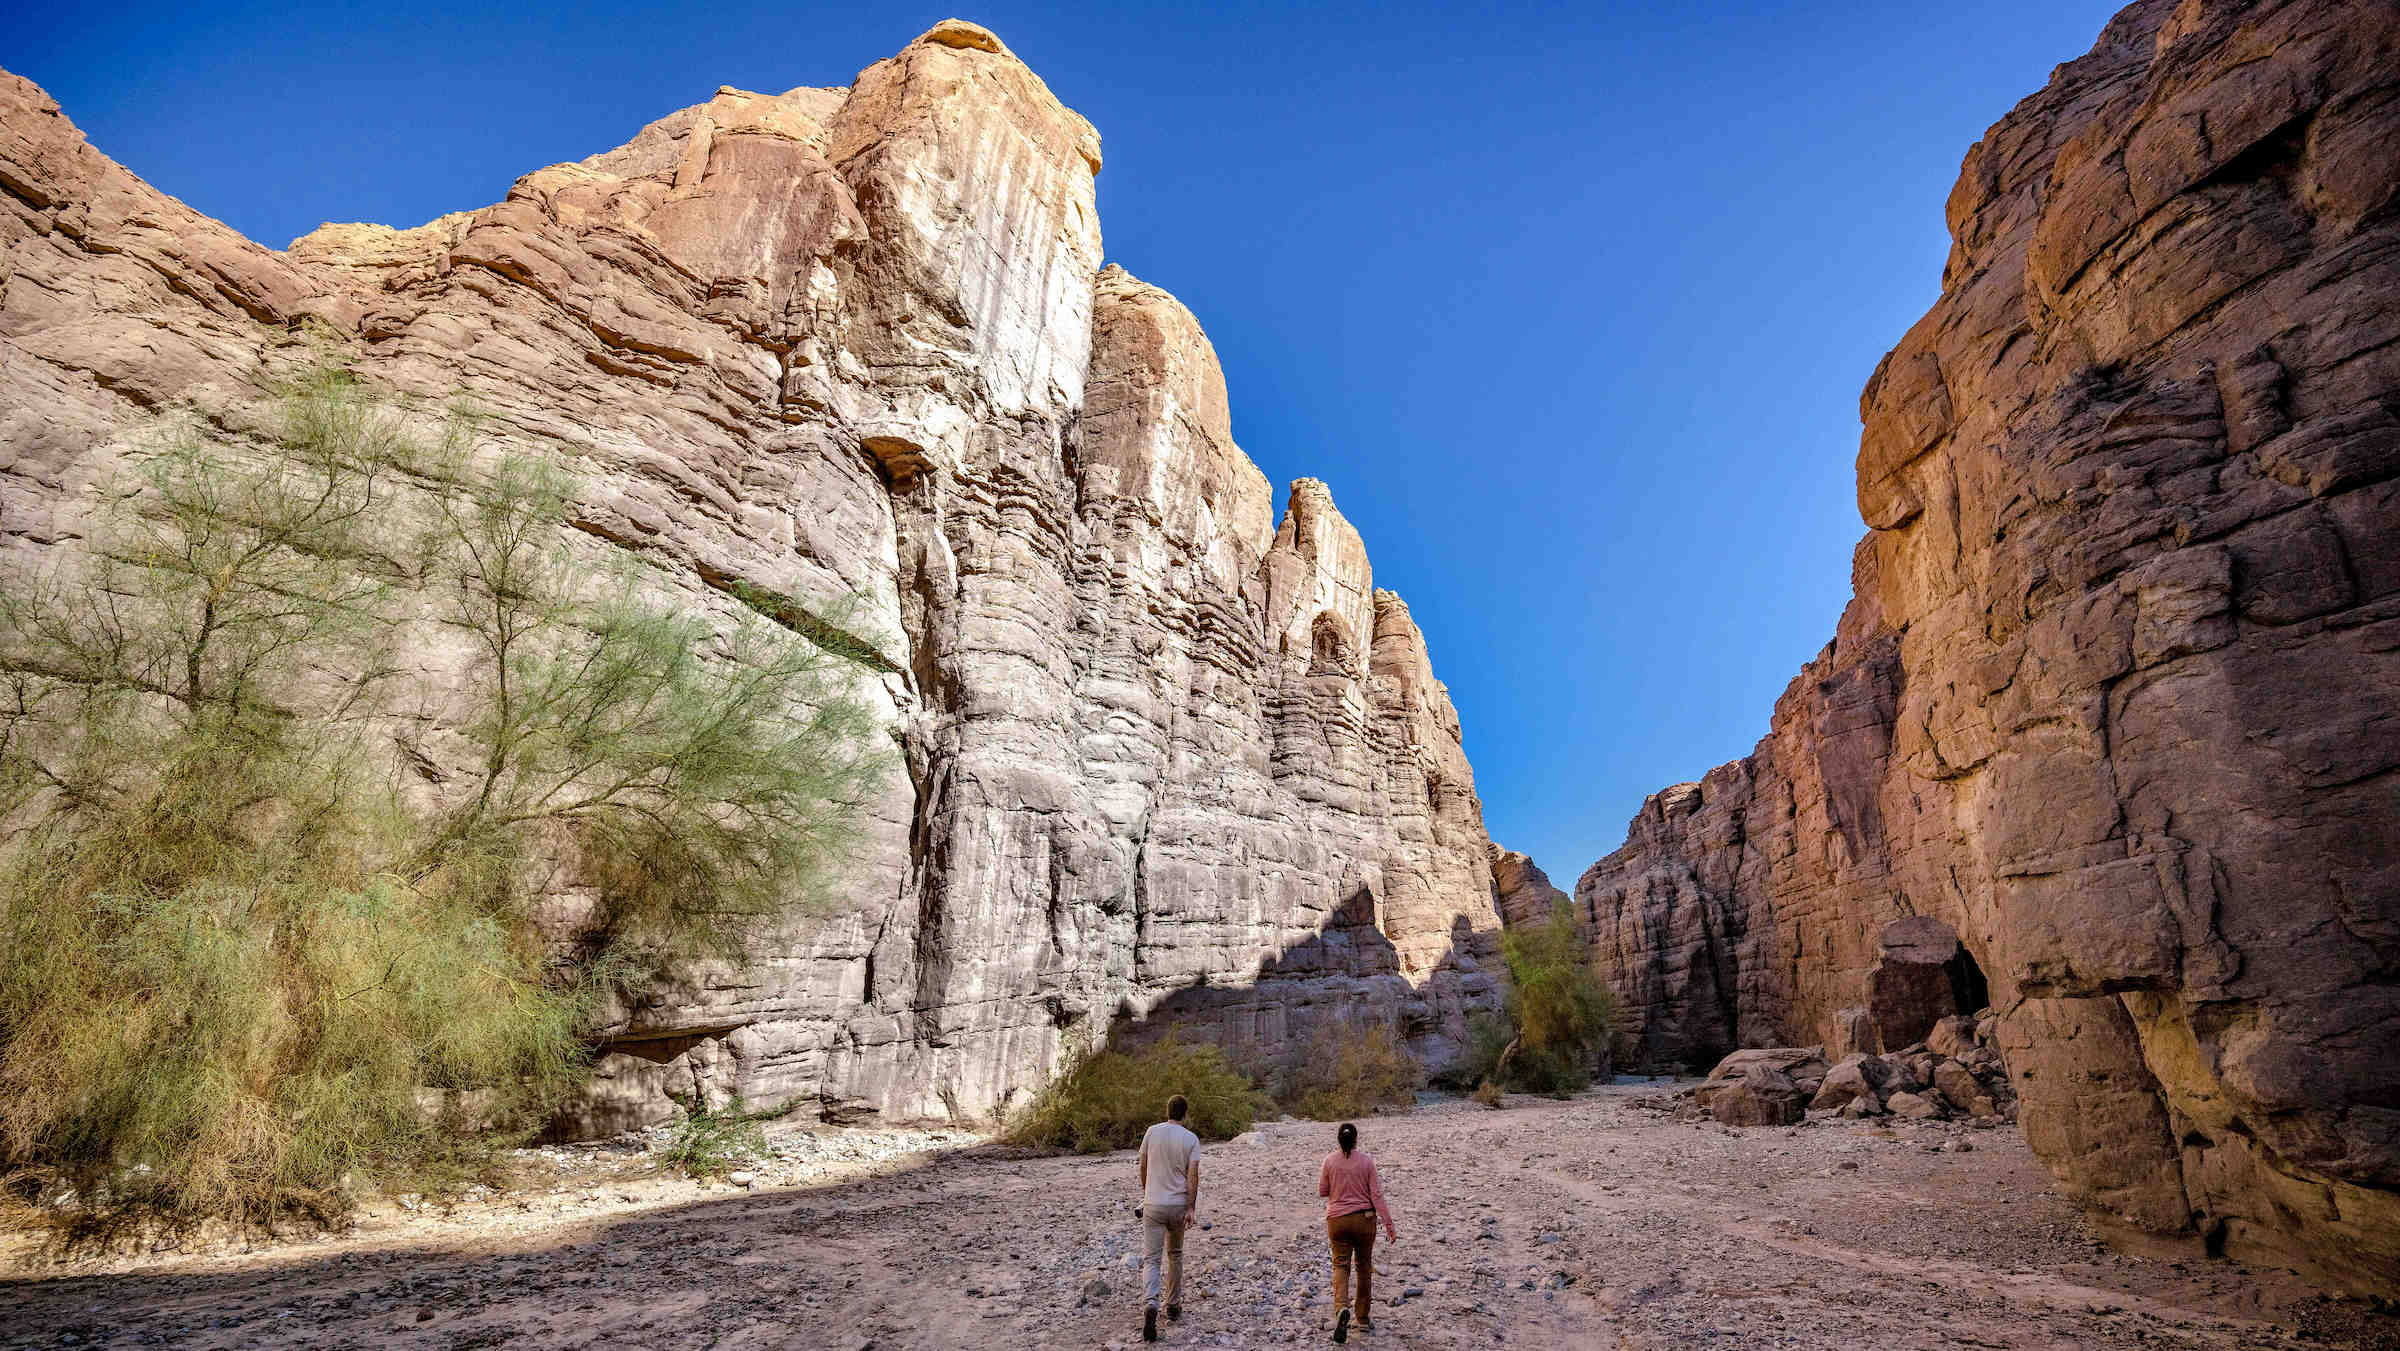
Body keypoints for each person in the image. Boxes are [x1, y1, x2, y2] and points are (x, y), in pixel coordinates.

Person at [1317, 1121, 1396, 1343]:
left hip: (1337, 1220)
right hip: (1364, 1220)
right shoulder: (1367, 1162)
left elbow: (1323, 1191)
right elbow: (1377, 1195)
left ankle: (1342, 1308)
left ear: (1338, 1140)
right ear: (1356, 1139)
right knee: (1363, 1267)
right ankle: (1361, 1318)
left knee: (1340, 1265)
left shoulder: (1329, 1161)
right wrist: (1389, 1224)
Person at [1136, 1094, 1202, 1343]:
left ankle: (1151, 1303)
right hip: (1177, 1205)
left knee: (1151, 1259)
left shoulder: (1152, 1132)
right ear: (1185, 1114)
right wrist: (1191, 1208)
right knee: (1175, 1254)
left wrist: (1146, 1194)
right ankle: (1173, 1306)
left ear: (1167, 1111)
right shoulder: (1191, 1139)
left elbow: (1143, 1164)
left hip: (1153, 1204)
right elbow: (1192, 1176)